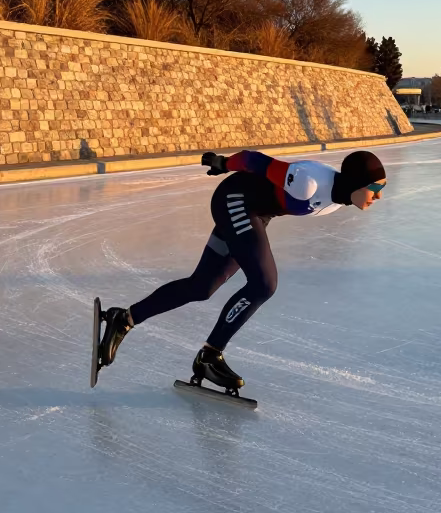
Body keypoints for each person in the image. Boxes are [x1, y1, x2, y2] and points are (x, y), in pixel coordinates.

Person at [97, 148, 387, 393]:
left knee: (202, 287)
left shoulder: (339, 200)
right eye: (375, 189)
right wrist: (224, 163)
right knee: (264, 283)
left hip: (255, 212)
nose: (378, 196)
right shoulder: (309, 182)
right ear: (355, 183)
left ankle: (123, 318)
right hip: (235, 201)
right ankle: (210, 356)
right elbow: (254, 161)